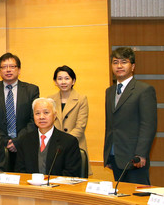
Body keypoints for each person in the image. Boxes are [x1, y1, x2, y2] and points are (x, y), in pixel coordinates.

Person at [104, 47, 157, 185]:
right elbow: (110, 125)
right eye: (115, 62)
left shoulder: (144, 90)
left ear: (132, 66)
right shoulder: (109, 92)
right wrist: (108, 155)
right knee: (121, 197)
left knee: (137, 200)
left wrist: (141, 154)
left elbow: (148, 125)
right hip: (115, 156)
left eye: (124, 62)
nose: (119, 66)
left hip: (134, 157)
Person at [0, 52, 39, 171]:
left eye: (12, 66)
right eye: (4, 67)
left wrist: (17, 141)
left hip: (25, 146)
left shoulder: (31, 90)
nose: (8, 70)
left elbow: (34, 119)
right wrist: (6, 141)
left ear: (19, 70)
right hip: (0, 146)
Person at [15, 98, 81, 177]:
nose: (41, 117)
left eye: (46, 113)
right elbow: (20, 171)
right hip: (30, 187)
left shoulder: (69, 141)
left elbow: (72, 172)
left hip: (57, 187)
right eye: (37, 113)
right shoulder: (24, 140)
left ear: (55, 115)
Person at [48, 65, 91, 175]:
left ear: (73, 81)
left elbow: (80, 127)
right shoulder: (49, 100)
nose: (63, 82)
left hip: (75, 146)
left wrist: (65, 143)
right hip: (54, 148)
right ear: (55, 82)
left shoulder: (82, 99)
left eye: (67, 78)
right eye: (60, 78)